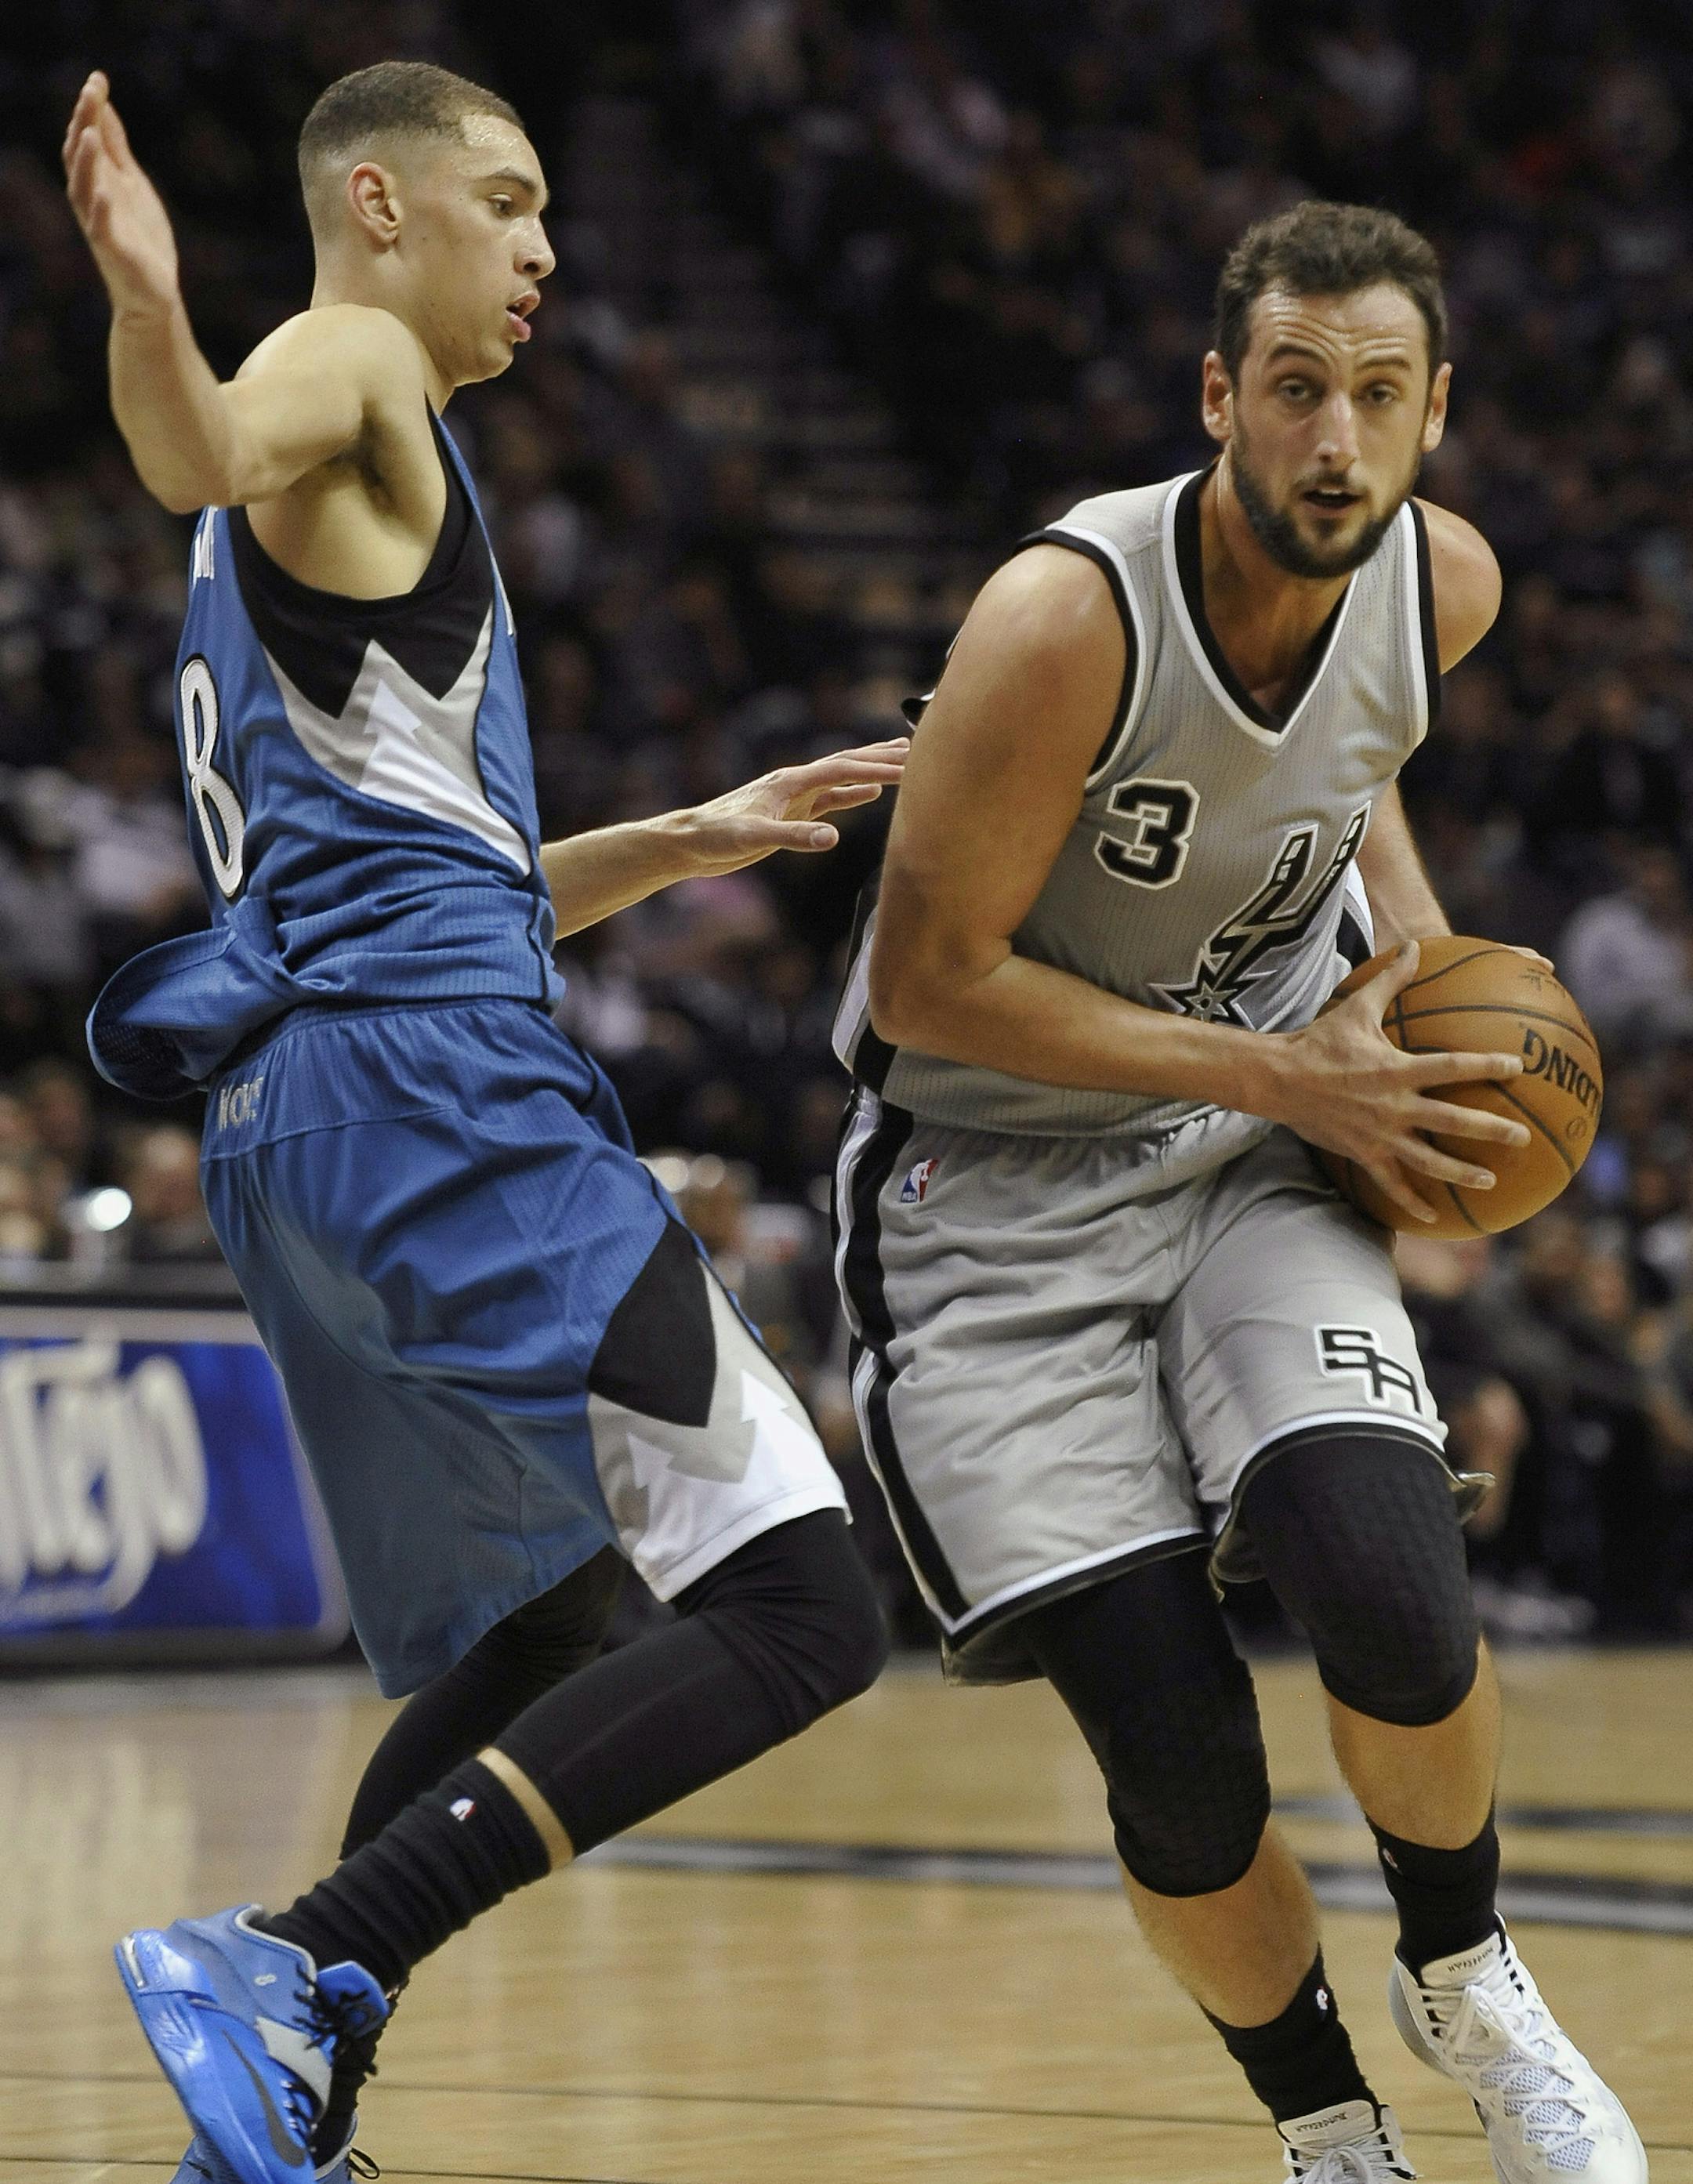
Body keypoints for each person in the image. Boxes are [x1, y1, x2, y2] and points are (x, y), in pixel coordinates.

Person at [63, 60, 904, 2184]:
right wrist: (148, 298)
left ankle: (281, 2109)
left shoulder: (356, 507)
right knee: (805, 1599)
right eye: (510, 203)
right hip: (437, 1092)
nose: (543, 251)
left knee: (557, 1621)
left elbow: (425, 875)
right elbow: (190, 433)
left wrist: (679, 840)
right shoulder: (343, 364)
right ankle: (295, 1961)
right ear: (378, 201)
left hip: (305, 1112)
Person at [833, 201, 1645, 2182]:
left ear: (1437, 413)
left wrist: (1428, 1008)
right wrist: (1292, 1063)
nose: (1336, 442)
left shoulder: (1438, 583)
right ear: (1222, 397)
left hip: (1260, 1142)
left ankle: (1466, 1975)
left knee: (1385, 1574)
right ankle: (1333, 2132)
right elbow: (932, 979)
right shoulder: (1065, 622)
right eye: (1296, 390)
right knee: (1183, 1762)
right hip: (992, 1186)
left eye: (1381, 396)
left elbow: (1347, 757)